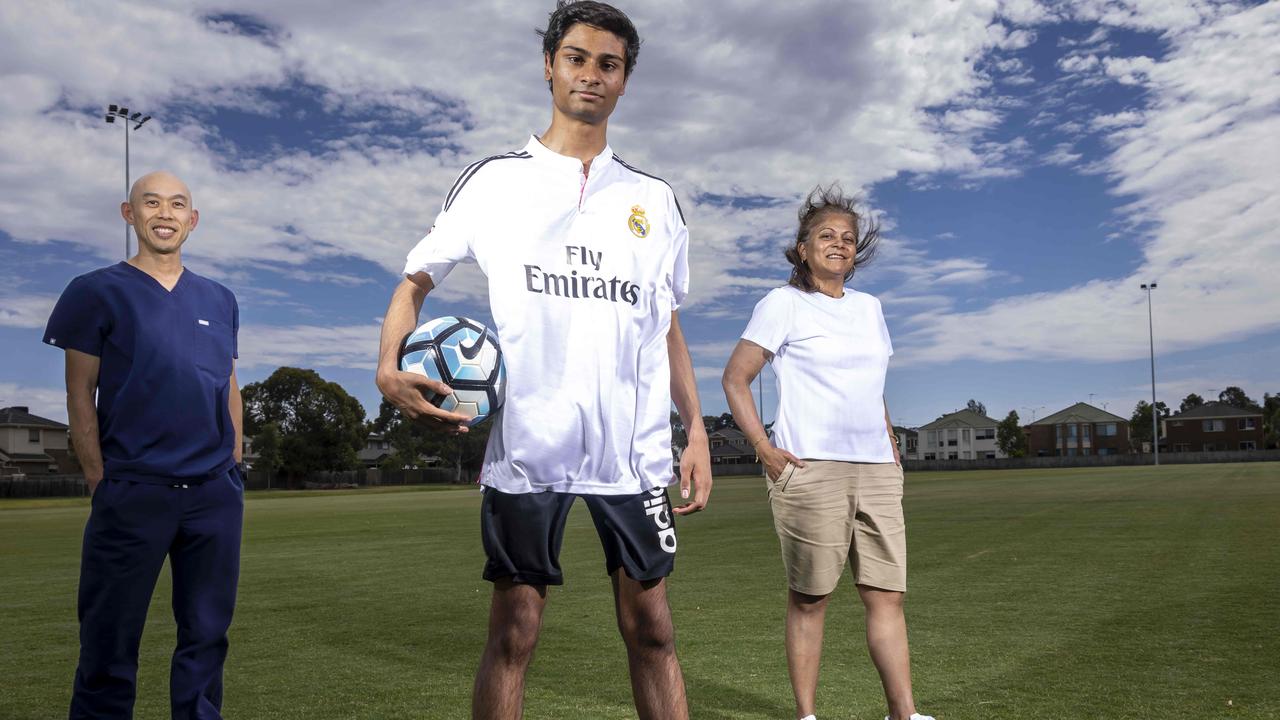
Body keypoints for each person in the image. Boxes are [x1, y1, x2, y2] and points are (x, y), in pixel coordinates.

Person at [374, 2, 711, 718]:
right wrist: (387, 367)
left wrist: (698, 429)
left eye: (608, 64)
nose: (591, 75)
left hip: (634, 449)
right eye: (578, 58)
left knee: (653, 629)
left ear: (625, 81)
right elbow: (414, 282)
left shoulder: (656, 202)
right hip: (530, 442)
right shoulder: (496, 180)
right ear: (551, 66)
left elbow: (667, 324)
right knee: (515, 631)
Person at [721, 186, 933, 720]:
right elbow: (736, 379)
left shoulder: (870, 308)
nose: (838, 245)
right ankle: (807, 716)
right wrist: (764, 449)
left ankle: (904, 714)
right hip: (809, 469)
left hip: (878, 471)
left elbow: (872, 385)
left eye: (847, 238)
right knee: (811, 598)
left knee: (887, 595)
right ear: (802, 247)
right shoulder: (782, 303)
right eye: (826, 236)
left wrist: (888, 440)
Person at [44, 171, 244, 720]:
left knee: (206, 641)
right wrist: (98, 477)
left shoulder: (220, 298)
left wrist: (234, 464)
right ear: (129, 214)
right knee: (108, 643)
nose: (165, 212)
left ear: (192, 219)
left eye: (178, 204)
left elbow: (226, 383)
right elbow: (79, 390)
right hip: (133, 489)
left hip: (212, 496)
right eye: (151, 202)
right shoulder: (95, 290)